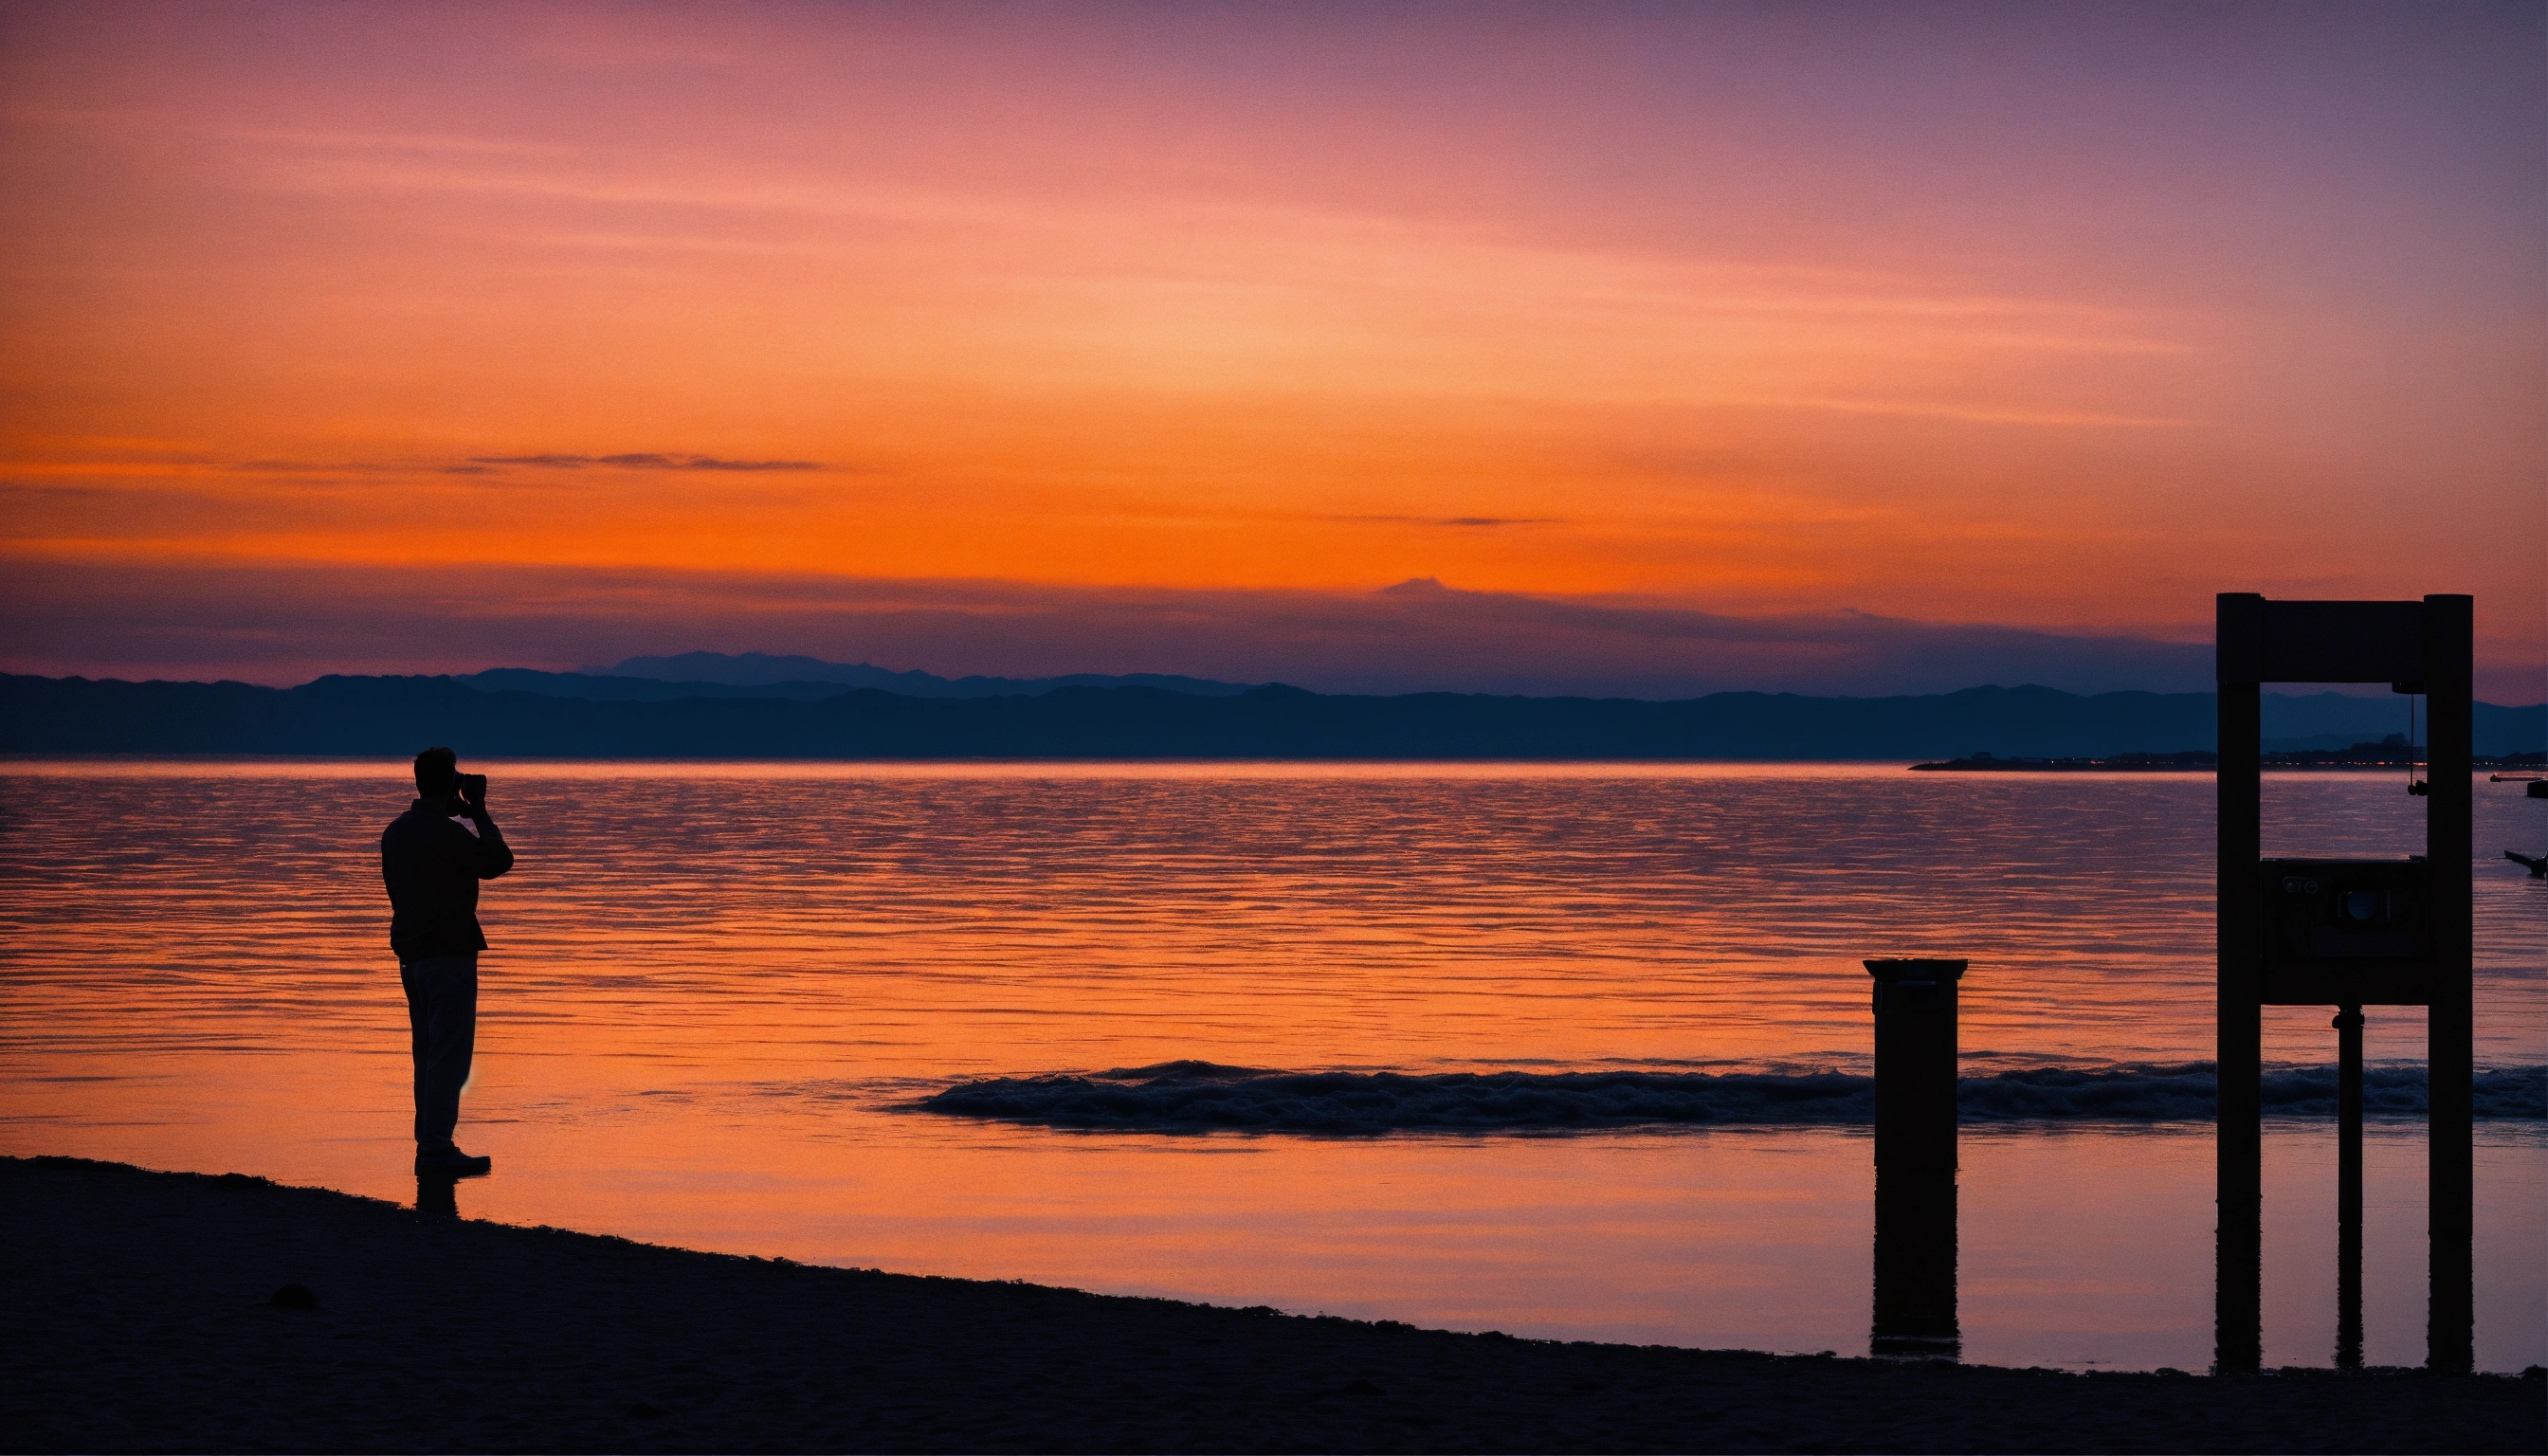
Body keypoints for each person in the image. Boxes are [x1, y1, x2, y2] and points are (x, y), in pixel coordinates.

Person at [381, 746, 515, 1176]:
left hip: (412, 957)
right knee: (449, 1056)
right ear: (449, 783)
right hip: (447, 957)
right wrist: (477, 810)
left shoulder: (396, 832)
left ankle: (430, 1145)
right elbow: (499, 860)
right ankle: (436, 1148)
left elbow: (395, 892)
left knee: (427, 1054)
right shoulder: (448, 834)